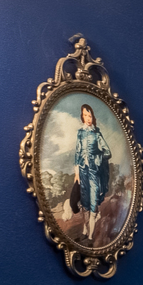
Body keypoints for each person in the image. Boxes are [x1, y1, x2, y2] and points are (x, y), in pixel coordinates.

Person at [62, 102, 112, 240]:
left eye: (90, 115)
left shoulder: (97, 134)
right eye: (85, 115)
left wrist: (97, 158)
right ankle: (85, 229)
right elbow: (78, 153)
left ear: (92, 117)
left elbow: (107, 152)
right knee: (84, 204)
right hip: (83, 173)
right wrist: (77, 173)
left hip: (94, 173)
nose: (88, 118)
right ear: (82, 117)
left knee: (93, 203)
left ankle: (90, 237)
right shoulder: (80, 133)